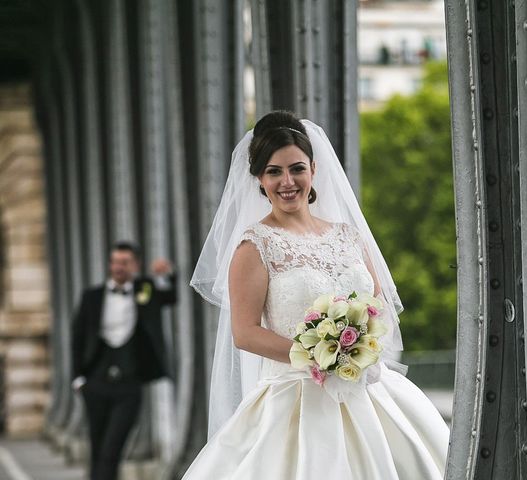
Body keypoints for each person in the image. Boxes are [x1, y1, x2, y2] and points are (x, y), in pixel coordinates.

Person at [187, 111, 449, 479]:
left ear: (313, 168)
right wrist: (319, 354)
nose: (287, 181)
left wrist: (363, 345)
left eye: (296, 168)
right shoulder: (255, 246)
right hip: (295, 396)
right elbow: (244, 333)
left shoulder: (347, 236)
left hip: (368, 387)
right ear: (259, 179)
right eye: (274, 171)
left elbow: (381, 307)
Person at [71, 242, 177, 480]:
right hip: (95, 382)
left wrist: (166, 275)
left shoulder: (145, 289)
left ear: (136, 265)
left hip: (130, 384)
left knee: (112, 448)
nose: (118, 267)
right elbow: (77, 337)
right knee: (97, 447)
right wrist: (77, 378)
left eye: (124, 263)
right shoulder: (92, 297)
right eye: (115, 262)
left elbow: (170, 297)